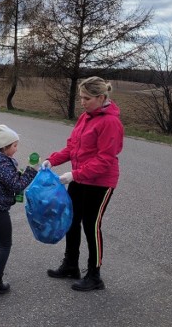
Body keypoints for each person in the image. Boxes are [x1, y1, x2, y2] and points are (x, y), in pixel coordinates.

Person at [42, 76, 124, 291]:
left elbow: (106, 159)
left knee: (91, 225)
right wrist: (52, 160)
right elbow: (72, 148)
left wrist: (74, 175)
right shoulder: (85, 118)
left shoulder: (110, 122)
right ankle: (70, 265)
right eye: (81, 98)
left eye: (87, 98)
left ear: (101, 97)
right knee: (71, 220)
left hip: (100, 182)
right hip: (80, 177)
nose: (82, 102)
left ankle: (95, 275)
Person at [0, 124, 38, 296]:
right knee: (5, 244)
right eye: (14, 146)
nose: (16, 149)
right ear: (4, 147)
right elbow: (17, 185)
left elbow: (6, 181)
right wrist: (31, 171)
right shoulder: (3, 165)